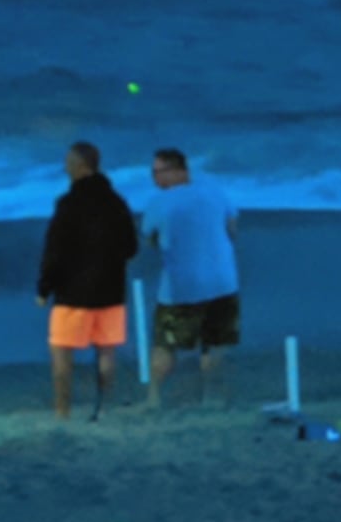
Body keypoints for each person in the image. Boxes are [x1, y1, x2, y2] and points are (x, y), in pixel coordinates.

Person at [36, 142, 139, 420]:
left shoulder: (68, 204)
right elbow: (130, 247)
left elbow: (54, 250)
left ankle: (63, 412)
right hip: (110, 290)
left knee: (61, 351)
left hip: (73, 291)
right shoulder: (117, 203)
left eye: (69, 162)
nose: (65, 167)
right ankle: (104, 408)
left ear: (82, 165)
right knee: (106, 352)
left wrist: (44, 288)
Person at [140, 148, 243, 408]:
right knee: (214, 343)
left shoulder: (159, 202)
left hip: (181, 287)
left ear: (178, 170)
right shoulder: (214, 190)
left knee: (165, 344)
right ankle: (211, 397)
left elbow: (151, 238)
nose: (155, 178)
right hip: (222, 280)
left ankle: (153, 398)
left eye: (158, 172)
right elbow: (232, 228)